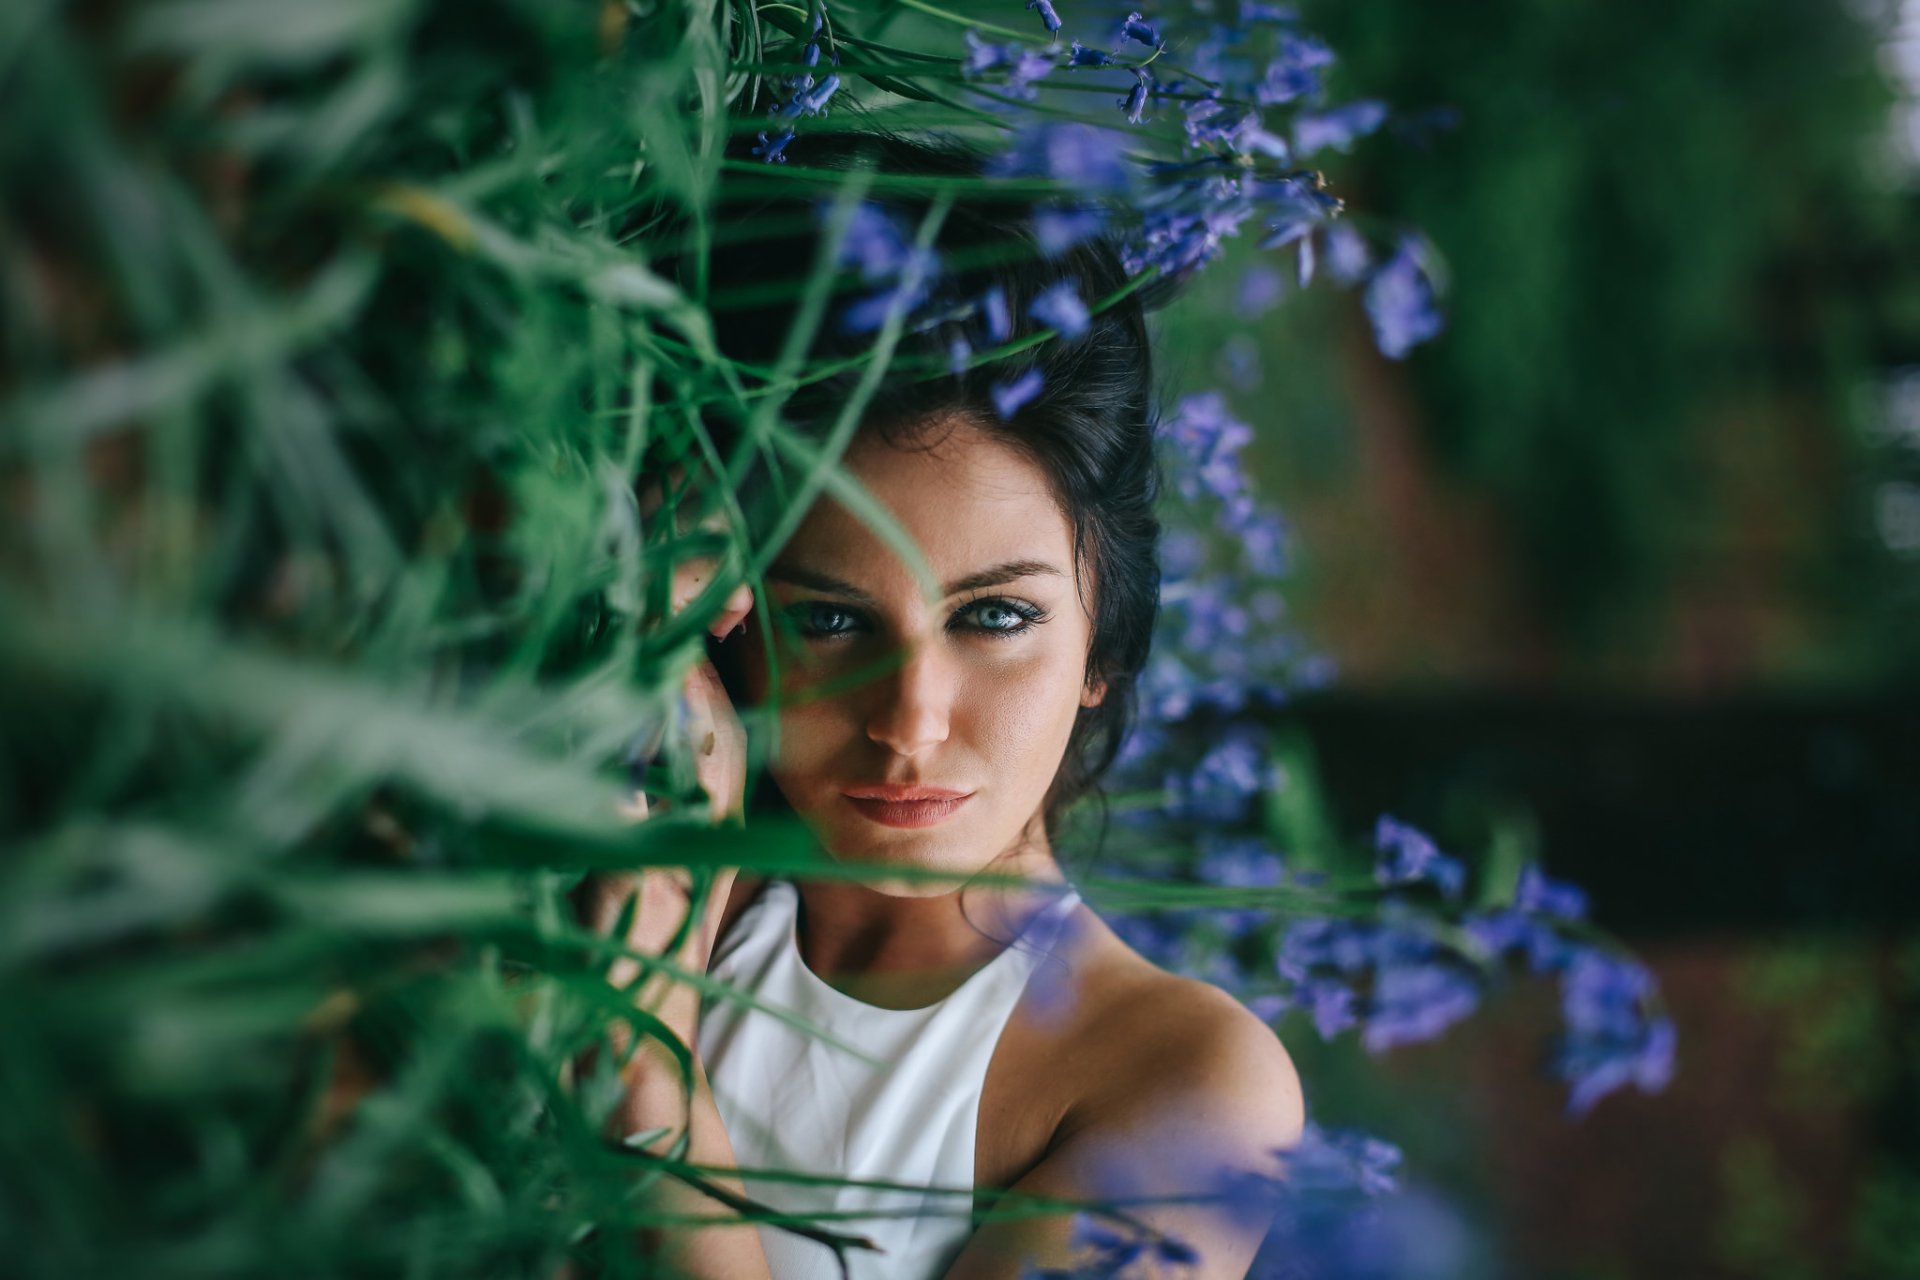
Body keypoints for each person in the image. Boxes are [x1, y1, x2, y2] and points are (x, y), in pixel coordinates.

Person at [578, 130, 1304, 1280]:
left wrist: (646, 1071)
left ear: (1101, 645)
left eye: (996, 619)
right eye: (830, 618)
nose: (910, 720)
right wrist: (634, 639)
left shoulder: (1180, 1079)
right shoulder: (654, 829)